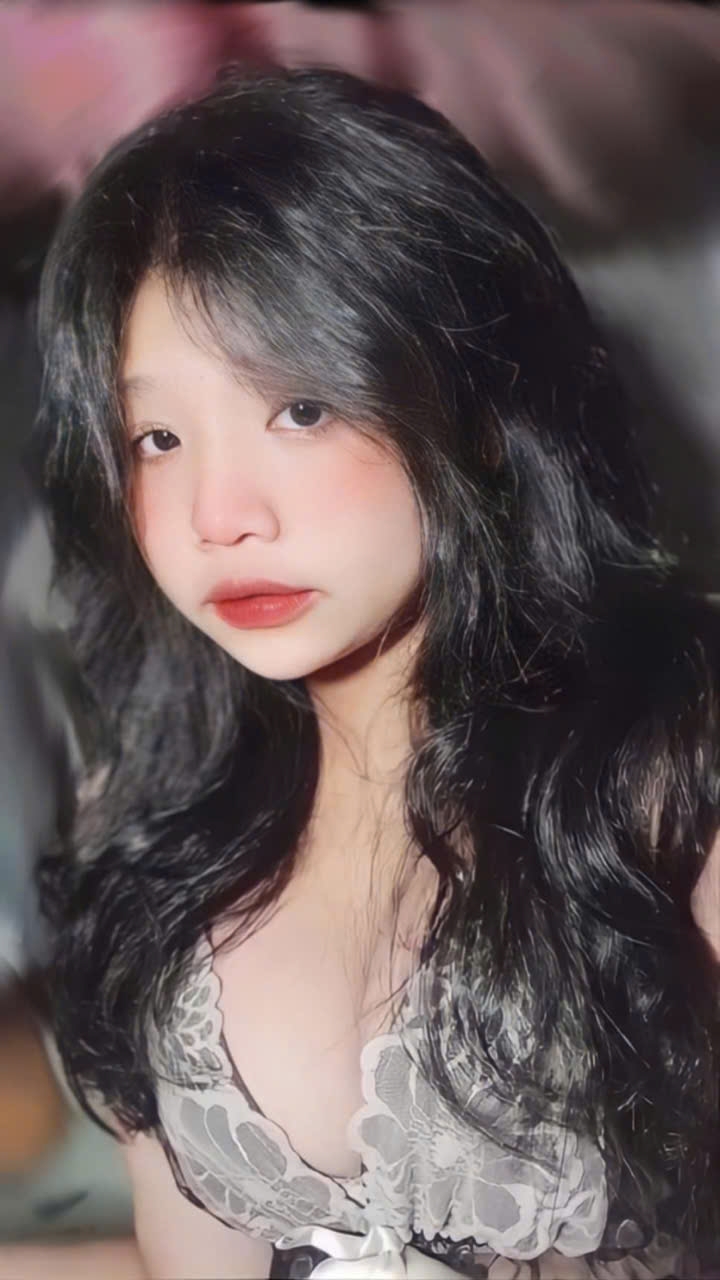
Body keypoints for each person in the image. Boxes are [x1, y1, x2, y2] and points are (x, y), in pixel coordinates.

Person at [4, 67, 720, 1279]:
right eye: (157, 437)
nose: (219, 515)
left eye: (299, 410)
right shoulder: (157, 816)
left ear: (476, 399)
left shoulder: (672, 757)